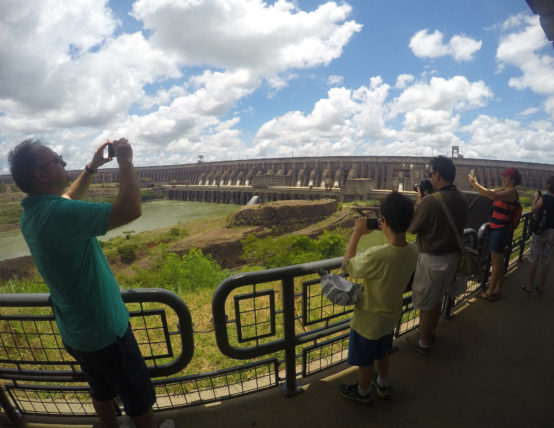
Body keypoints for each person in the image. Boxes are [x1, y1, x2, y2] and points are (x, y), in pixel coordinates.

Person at [8, 139, 173, 428]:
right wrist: (126, 160)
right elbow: (131, 208)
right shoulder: (59, 215)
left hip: (77, 332)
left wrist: (92, 167)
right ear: (41, 175)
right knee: (138, 399)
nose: (63, 162)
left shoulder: (33, 212)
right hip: (106, 330)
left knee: (100, 389)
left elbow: (68, 198)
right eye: (57, 159)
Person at [338, 192, 418, 403]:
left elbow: (348, 267)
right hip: (391, 315)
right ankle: (382, 383)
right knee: (382, 352)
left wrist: (356, 234)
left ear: (384, 221)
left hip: (368, 319)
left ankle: (363, 392)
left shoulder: (378, 254)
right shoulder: (413, 251)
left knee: (365, 361)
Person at [404, 156, 468, 355]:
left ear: (438, 174)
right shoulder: (462, 197)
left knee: (425, 304)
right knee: (438, 298)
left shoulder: (431, 201)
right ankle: (431, 333)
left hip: (432, 261)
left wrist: (420, 202)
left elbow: (412, 228)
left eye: (431, 174)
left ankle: (423, 343)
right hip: (452, 258)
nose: (430, 177)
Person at [469, 167, 521, 301]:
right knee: (498, 261)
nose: (503, 178)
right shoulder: (504, 190)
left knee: (496, 262)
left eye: (506, 177)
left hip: (500, 230)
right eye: (503, 176)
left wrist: (475, 185)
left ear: (513, 179)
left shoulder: (512, 193)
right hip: (497, 229)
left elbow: (492, 196)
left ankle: (490, 292)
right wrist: (476, 185)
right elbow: (489, 192)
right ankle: (497, 290)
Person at [522, 176, 554, 294]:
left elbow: (533, 210)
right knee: (546, 260)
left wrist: (536, 199)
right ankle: (541, 287)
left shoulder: (544, 198)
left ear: (549, 185)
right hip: (552, 232)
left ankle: (529, 285)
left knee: (534, 258)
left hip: (541, 231)